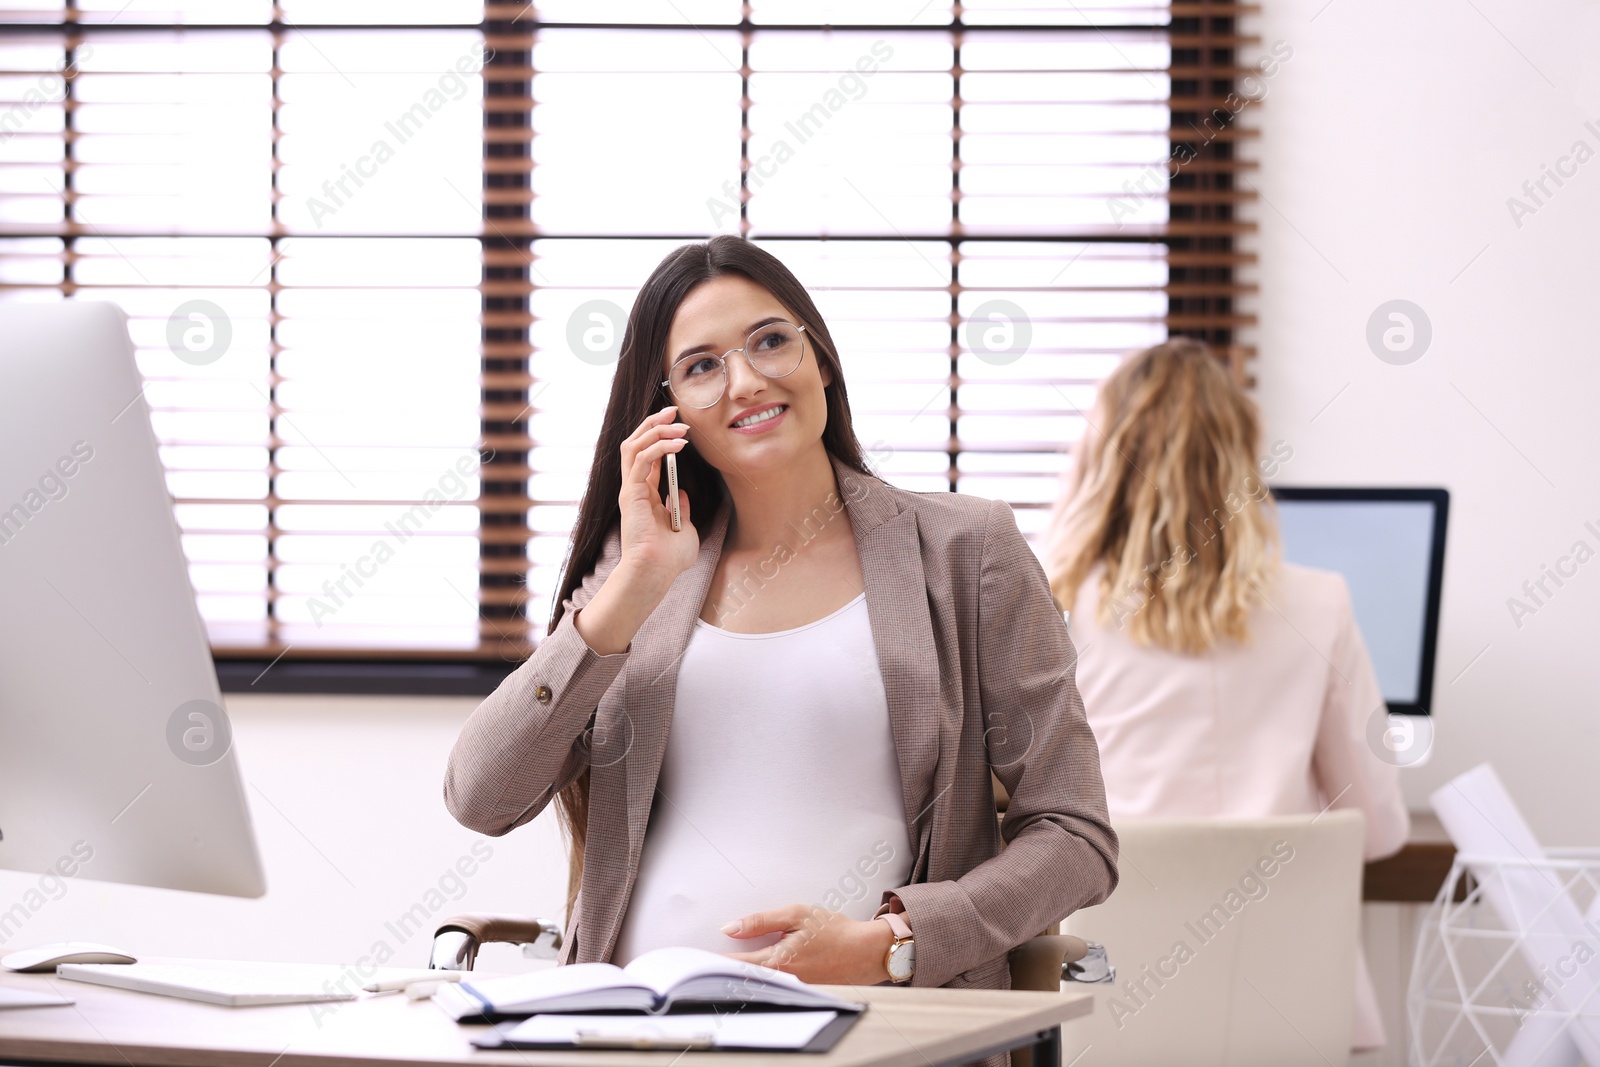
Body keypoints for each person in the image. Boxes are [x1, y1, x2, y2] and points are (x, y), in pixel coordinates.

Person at [443, 237, 1118, 1040]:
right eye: (701, 366)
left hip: (877, 1024)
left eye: (770, 341)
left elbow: (1075, 833)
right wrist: (631, 588)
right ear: (667, 414)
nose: (747, 380)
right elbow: (480, 797)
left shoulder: (968, 550)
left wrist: (891, 943)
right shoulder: (636, 576)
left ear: (820, 359)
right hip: (632, 1025)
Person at [1042, 336, 1409, 1051]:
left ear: (1104, 459)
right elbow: (1380, 825)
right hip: (1292, 1008)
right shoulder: (1320, 603)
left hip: (1108, 1003)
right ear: (1241, 457)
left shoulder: (1056, 605)